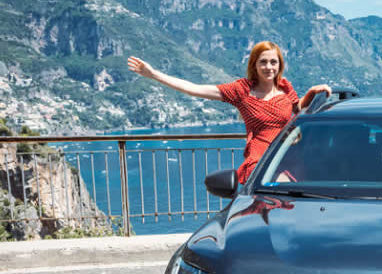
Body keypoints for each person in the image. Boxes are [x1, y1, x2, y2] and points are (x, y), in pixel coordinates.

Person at [127, 42, 331, 183]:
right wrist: (153, 74)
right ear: (254, 64)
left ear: (280, 65)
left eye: (273, 62)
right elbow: (194, 88)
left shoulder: (285, 87)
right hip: (261, 160)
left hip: (289, 155)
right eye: (263, 62)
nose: (269, 67)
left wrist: (312, 92)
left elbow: (296, 109)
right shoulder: (241, 91)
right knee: (274, 200)